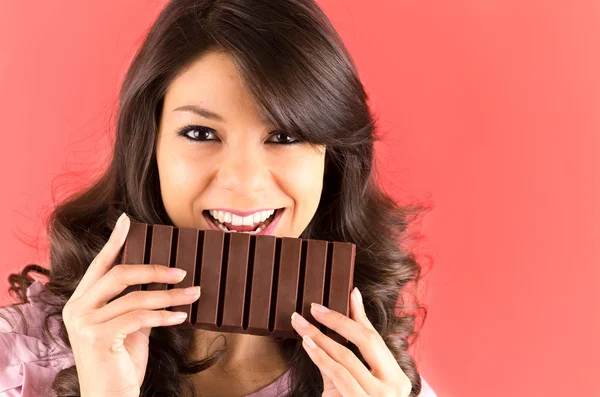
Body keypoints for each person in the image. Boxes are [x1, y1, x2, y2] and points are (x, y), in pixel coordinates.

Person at [0, 0, 438, 396]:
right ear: (149, 148)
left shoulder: (385, 386)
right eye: (201, 133)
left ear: (333, 158)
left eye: (284, 135)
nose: (244, 182)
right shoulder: (16, 361)